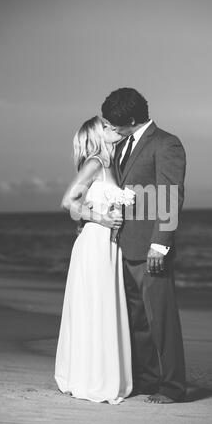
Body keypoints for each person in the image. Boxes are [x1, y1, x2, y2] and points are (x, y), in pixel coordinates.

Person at [101, 88, 187, 404]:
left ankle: (174, 388)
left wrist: (160, 245)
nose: (109, 127)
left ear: (132, 119)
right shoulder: (123, 145)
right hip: (125, 246)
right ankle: (148, 381)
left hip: (151, 248)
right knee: (137, 320)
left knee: (161, 320)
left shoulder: (166, 144)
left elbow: (170, 196)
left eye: (113, 123)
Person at [55, 116, 132, 405]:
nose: (112, 128)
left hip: (109, 245)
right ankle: (90, 378)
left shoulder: (113, 164)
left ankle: (100, 375)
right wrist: (102, 217)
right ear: (97, 134)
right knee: (95, 305)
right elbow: (67, 201)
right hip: (94, 243)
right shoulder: (96, 162)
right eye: (106, 126)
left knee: (103, 306)